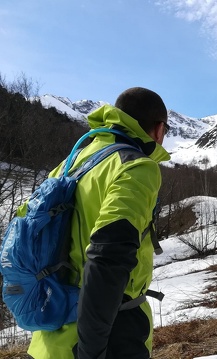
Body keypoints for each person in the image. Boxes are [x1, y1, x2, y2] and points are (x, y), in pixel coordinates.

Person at [27, 87, 171, 359]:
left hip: (51, 329)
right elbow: (109, 257)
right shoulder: (136, 167)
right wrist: (91, 351)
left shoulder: (71, 163)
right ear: (158, 128)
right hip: (109, 332)